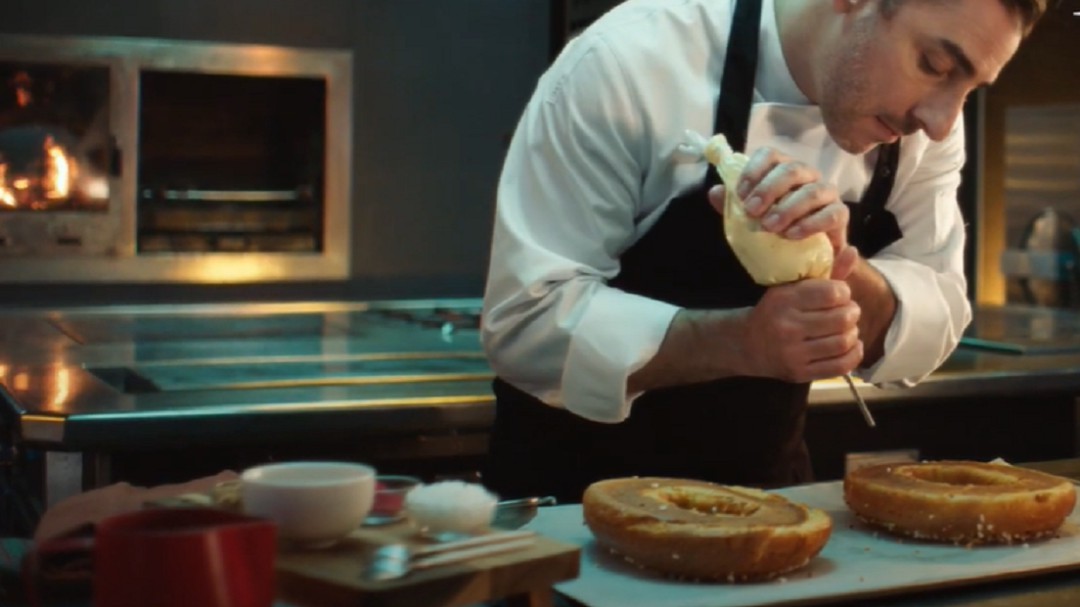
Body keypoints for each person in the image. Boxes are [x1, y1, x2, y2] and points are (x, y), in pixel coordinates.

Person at [480, 0, 1047, 504]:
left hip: (764, 502)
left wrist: (839, 269)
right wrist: (746, 343)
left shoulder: (924, 126)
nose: (943, 121)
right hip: (574, 509)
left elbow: (940, 310)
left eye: (968, 89)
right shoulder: (630, 61)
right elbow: (524, 326)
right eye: (935, 66)